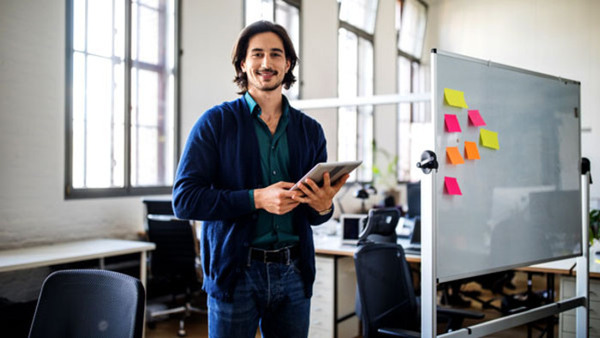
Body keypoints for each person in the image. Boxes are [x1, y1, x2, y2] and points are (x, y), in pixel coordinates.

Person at [172, 20, 349, 338]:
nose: (266, 63)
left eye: (276, 54)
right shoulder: (215, 123)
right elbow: (184, 200)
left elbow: (314, 216)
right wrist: (256, 198)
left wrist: (323, 207)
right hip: (236, 273)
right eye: (257, 54)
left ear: (288, 63)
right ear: (243, 62)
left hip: (295, 272)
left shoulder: (310, 131)